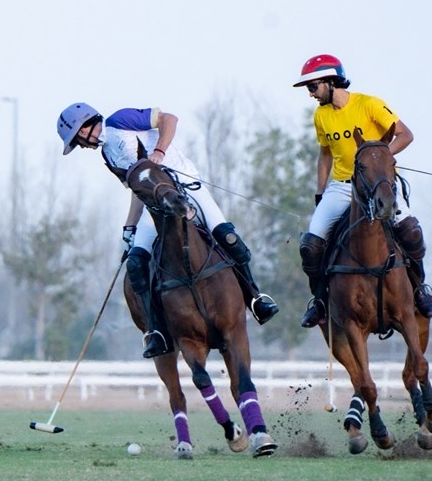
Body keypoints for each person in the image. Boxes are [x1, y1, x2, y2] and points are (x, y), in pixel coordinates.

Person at [58, 102, 279, 358]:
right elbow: (137, 191)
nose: (81, 145)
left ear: (85, 126)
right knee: (136, 264)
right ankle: (155, 331)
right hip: (154, 205)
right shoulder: (108, 157)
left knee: (228, 237)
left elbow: (169, 119)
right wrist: (129, 226)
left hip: (185, 185)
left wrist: (159, 152)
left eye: (77, 139)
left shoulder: (119, 121)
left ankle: (255, 298)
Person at [292, 53, 432, 327]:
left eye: (313, 87)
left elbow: (405, 134)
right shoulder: (321, 115)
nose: (310, 94)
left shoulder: (369, 104)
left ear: (331, 81)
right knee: (310, 245)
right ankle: (320, 300)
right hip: (342, 188)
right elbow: (325, 155)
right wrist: (320, 193)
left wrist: (377, 158)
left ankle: (419, 290)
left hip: (378, 185)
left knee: (410, 231)